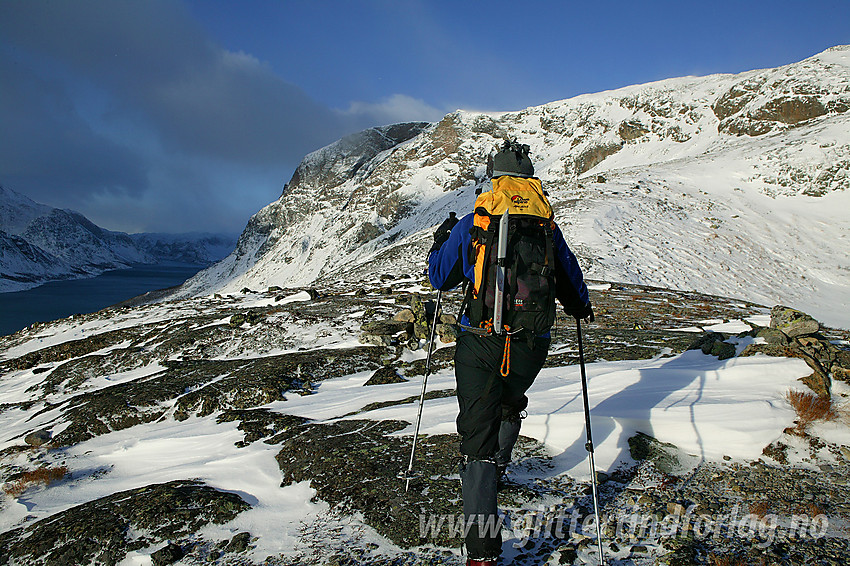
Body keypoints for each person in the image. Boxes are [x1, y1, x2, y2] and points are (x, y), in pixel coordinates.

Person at [427, 142, 593, 565]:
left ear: (494, 176)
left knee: (476, 438)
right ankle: (498, 470)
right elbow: (572, 285)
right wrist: (579, 307)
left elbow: (439, 278)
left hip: (481, 341)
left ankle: (481, 551)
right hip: (531, 344)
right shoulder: (547, 228)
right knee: (509, 400)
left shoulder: (476, 221)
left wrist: (441, 240)